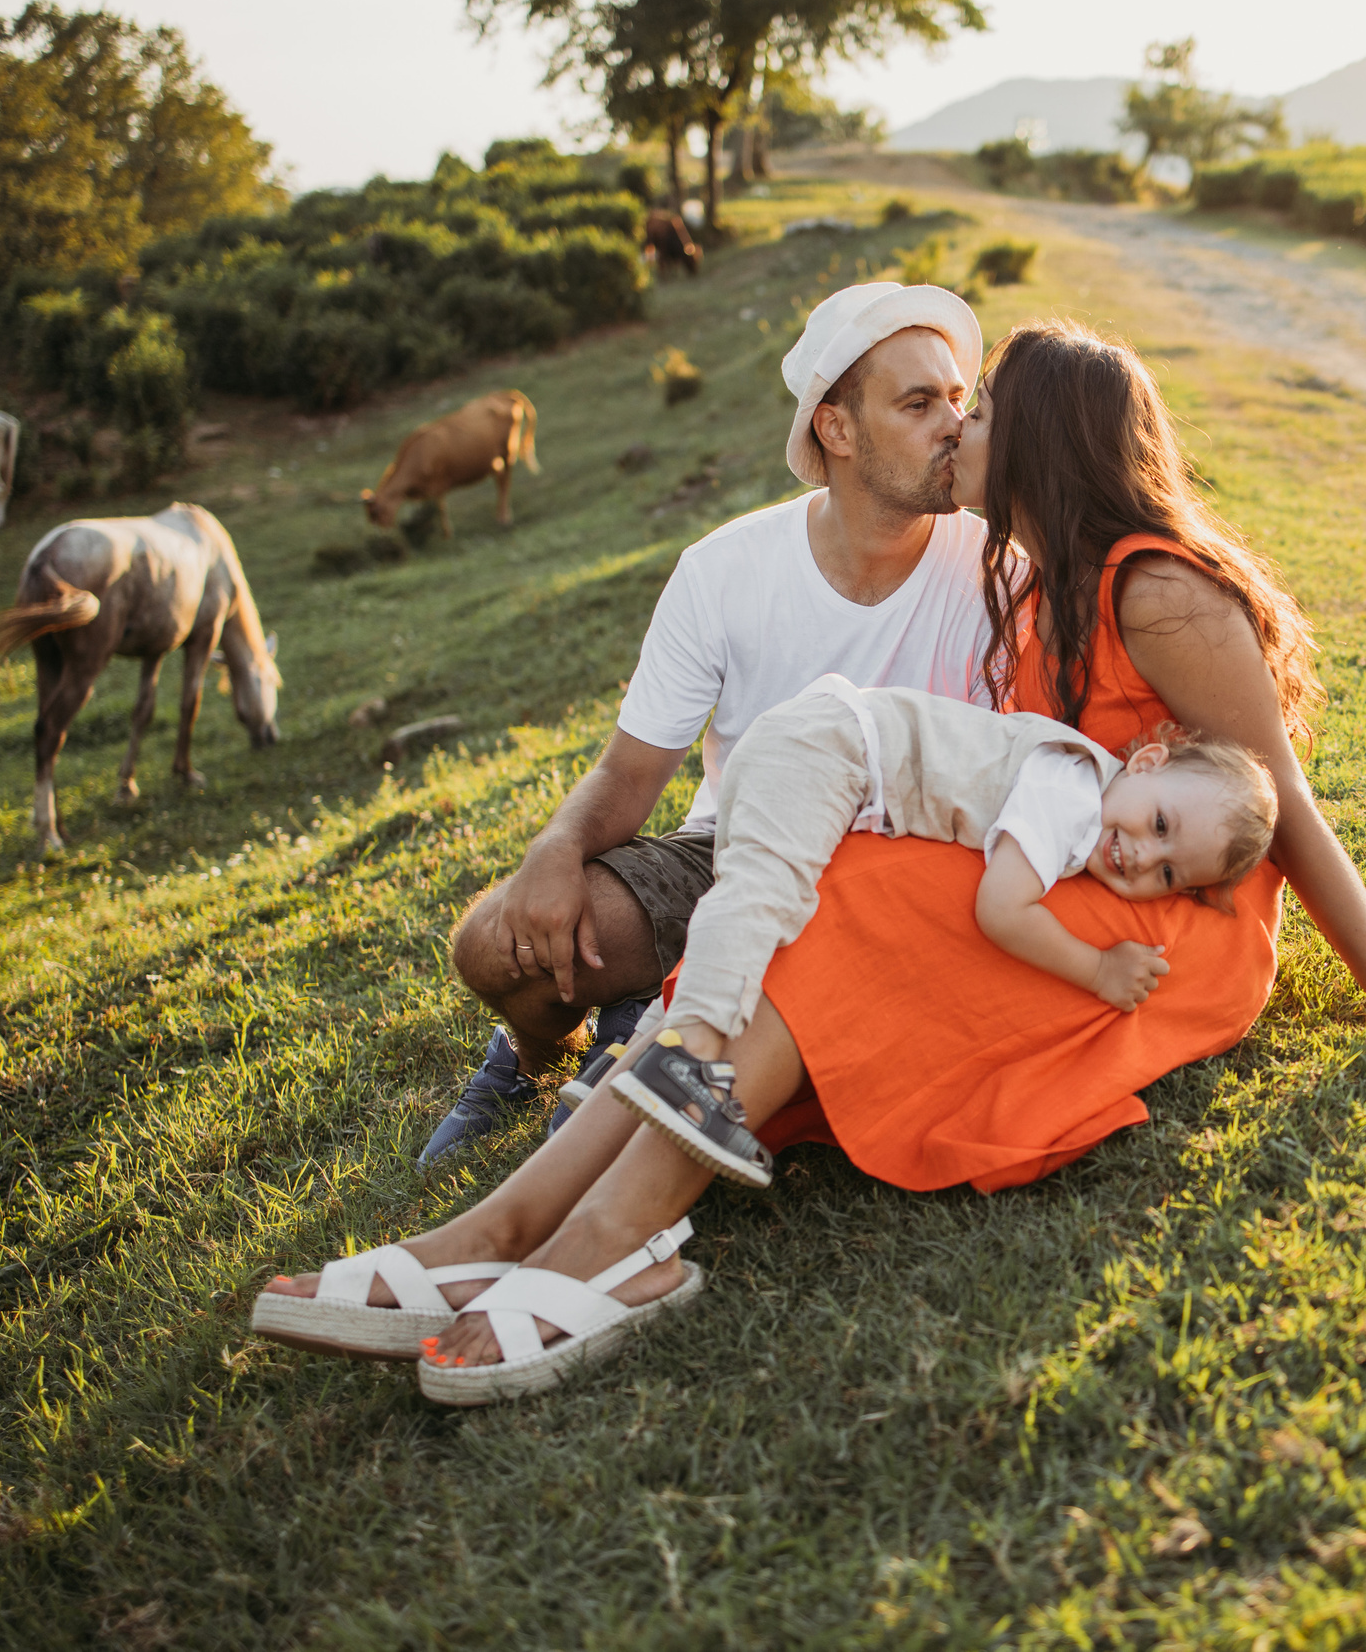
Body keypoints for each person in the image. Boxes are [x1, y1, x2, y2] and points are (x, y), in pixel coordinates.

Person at [254, 320, 1366, 1406]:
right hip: (1049, 863)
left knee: (859, 898)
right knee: (822, 887)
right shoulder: (1017, 567)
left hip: (1165, 925)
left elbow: (1281, 803)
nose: (960, 429)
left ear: (1040, 440)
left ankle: (607, 1246)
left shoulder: (1158, 589)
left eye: (981, 406)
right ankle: (494, 1229)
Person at [411, 280, 995, 1166]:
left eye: (958, 398)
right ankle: (530, 1058)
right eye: (918, 403)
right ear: (835, 429)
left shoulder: (998, 570)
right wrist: (556, 851)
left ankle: (645, 1020)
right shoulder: (723, 571)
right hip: (728, 856)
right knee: (496, 945)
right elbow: (630, 774)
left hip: (893, 881)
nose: (953, 423)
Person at [606, 677, 1280, 1187]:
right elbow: (1002, 909)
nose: (1142, 855)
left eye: (1167, 875)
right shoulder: (1072, 795)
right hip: (829, 749)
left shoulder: (1093, 806)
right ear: (1146, 762)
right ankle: (685, 1054)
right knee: (762, 896)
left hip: (833, 753)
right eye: (1160, 825)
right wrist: (1098, 969)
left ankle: (630, 1071)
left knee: (766, 908)